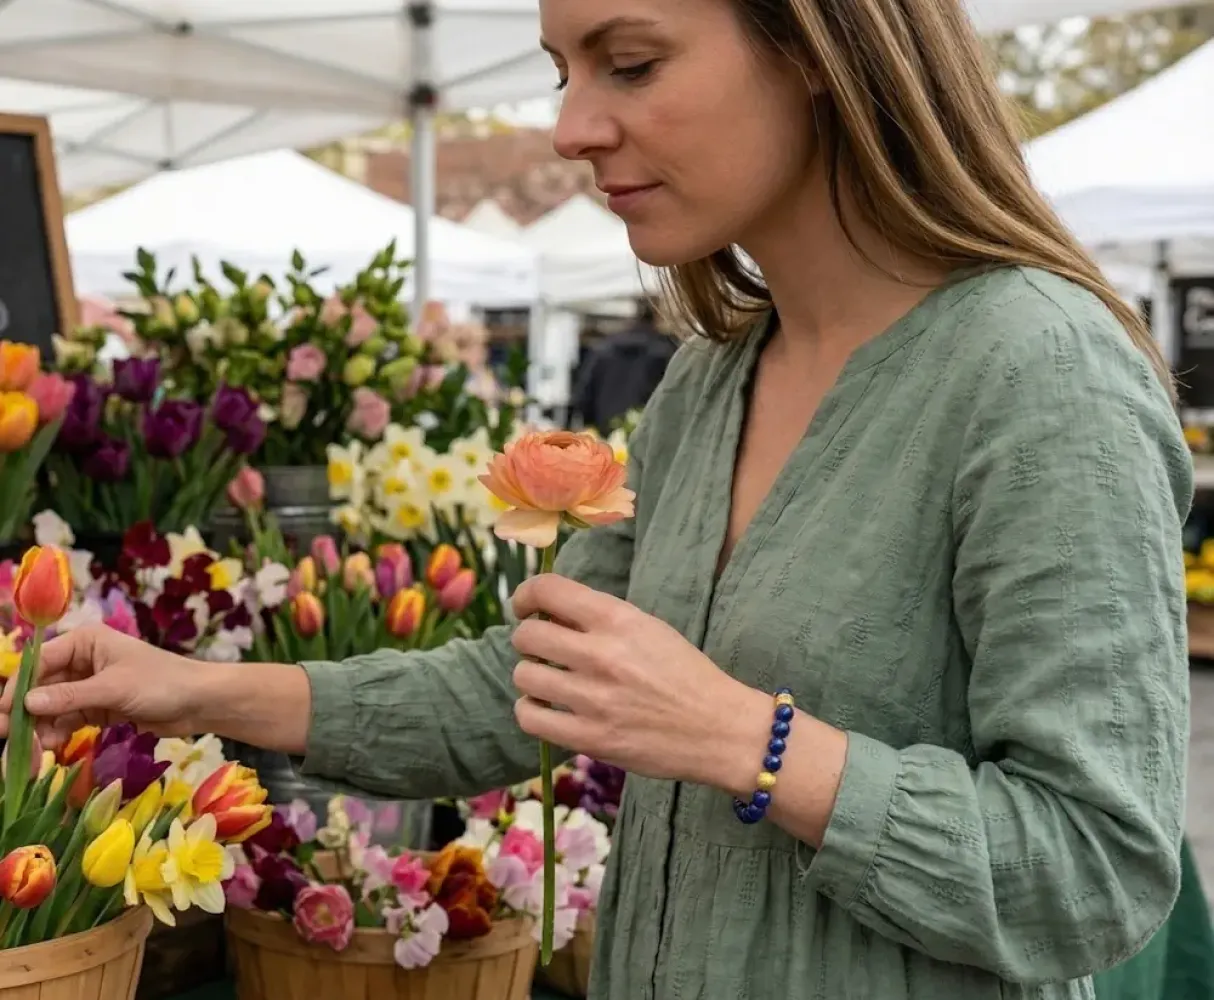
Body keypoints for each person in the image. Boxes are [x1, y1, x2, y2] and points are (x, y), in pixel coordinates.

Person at [0, 0, 1193, 998]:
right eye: (561, 71)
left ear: (822, 50)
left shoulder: (1039, 376)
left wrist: (753, 743)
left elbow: (1096, 866)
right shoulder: (710, 379)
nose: (570, 128)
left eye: (629, 62)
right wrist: (189, 689)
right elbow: (523, 690)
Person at [571, 300, 677, 432]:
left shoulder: (603, 348)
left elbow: (583, 395)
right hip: (644, 434)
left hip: (604, 432)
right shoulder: (666, 352)